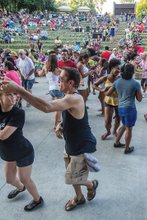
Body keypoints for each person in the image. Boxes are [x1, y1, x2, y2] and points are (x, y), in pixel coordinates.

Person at [2, 67, 98, 211]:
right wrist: (61, 124)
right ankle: (79, 197)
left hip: (81, 146)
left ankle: (92, 185)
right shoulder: (68, 96)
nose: (58, 81)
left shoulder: (75, 98)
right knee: (72, 175)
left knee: (73, 177)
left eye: (61, 79)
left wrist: (20, 89)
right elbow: (74, 116)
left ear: (71, 83)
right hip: (71, 144)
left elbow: (47, 107)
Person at [0, 91, 43, 211]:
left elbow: (4, 135)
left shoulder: (18, 113)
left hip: (22, 151)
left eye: (14, 94)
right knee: (9, 179)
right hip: (8, 152)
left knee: (25, 179)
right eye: (9, 94)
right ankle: (21, 188)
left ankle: (37, 199)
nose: (13, 97)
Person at [106, 63, 142, 154]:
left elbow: (107, 93)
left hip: (120, 107)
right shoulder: (135, 83)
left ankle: (117, 142)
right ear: (132, 72)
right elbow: (140, 99)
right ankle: (127, 148)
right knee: (129, 129)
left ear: (121, 71)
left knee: (124, 125)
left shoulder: (117, 82)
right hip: (130, 108)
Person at [39, 54, 63, 129]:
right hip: (57, 89)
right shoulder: (57, 69)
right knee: (59, 109)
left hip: (51, 90)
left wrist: (37, 70)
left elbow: (40, 74)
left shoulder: (45, 68)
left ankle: (57, 123)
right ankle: (56, 125)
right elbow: (66, 74)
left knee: (57, 108)